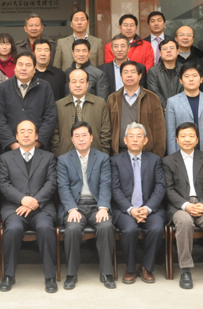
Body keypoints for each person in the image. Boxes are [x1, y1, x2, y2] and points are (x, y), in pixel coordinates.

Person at [0, 120, 59, 293]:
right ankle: (9, 275)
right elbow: (3, 183)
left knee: (45, 228)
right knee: (13, 229)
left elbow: (51, 183)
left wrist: (34, 201)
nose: (26, 134)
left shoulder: (48, 157)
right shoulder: (6, 158)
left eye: (30, 131)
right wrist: (22, 199)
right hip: (15, 208)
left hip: (41, 208)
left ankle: (50, 276)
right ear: (16, 136)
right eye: (22, 131)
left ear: (36, 135)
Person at [162, 122, 203, 289]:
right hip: (180, 206)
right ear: (177, 139)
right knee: (184, 222)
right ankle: (185, 270)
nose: (187, 139)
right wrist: (185, 205)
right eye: (183, 136)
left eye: (191, 136)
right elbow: (168, 189)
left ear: (197, 139)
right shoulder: (168, 161)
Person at [57, 121, 116, 290]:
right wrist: (71, 209)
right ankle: (71, 273)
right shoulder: (63, 160)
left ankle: (107, 273)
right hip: (75, 206)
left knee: (106, 226)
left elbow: (105, 184)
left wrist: (103, 207)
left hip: (97, 205)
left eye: (84, 135)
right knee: (72, 229)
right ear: (72, 139)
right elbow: (63, 187)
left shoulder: (102, 158)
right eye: (77, 136)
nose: (81, 139)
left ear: (91, 137)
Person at [110, 123, 166, 284]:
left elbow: (160, 187)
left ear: (145, 140)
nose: (135, 140)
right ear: (125, 140)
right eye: (131, 136)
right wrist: (130, 209)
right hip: (125, 209)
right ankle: (130, 268)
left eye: (139, 136)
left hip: (150, 208)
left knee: (156, 228)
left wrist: (147, 208)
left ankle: (147, 267)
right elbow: (114, 189)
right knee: (129, 230)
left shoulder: (155, 160)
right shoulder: (115, 161)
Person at [0, 52, 58, 152]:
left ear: (34, 69)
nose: (23, 68)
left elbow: (50, 116)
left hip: (39, 149)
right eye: (20, 64)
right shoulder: (3, 88)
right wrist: (13, 144)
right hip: (11, 149)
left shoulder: (45, 87)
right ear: (15, 68)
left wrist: (37, 143)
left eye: (28, 65)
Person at [107, 61, 166, 156]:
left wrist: (157, 157)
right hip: (119, 154)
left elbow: (159, 131)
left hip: (146, 154)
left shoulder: (152, 98)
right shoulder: (112, 99)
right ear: (121, 76)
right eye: (125, 72)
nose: (129, 75)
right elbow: (108, 129)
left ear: (140, 76)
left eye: (133, 72)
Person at [52, 69, 112, 156]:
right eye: (74, 82)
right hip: (65, 155)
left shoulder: (100, 103)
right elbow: (54, 133)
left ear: (87, 84)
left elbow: (106, 131)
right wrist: (58, 151)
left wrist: (103, 153)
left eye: (82, 81)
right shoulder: (59, 105)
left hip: (95, 155)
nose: (78, 85)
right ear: (69, 84)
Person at [165, 63, 203, 155]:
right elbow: (170, 135)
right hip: (181, 154)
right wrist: (173, 159)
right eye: (186, 76)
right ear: (181, 80)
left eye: (195, 76)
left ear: (201, 79)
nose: (191, 79)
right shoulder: (172, 102)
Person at [146, 38, 182, 109]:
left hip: (182, 109)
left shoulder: (184, 70)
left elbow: (187, 90)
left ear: (177, 52)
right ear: (160, 53)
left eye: (172, 48)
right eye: (165, 49)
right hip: (161, 110)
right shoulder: (153, 71)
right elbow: (154, 93)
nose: (168, 51)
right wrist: (167, 108)